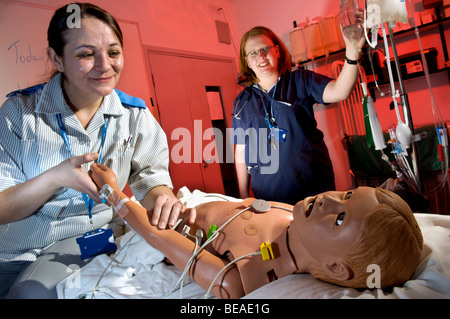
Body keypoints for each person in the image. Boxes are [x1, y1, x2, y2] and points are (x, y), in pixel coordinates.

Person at [0, 3, 194, 299]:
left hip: (104, 243)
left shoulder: (136, 116)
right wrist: (54, 179)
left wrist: (163, 198)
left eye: (114, 52)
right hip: (24, 255)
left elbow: (150, 180)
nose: (105, 66)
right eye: (87, 54)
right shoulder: (18, 114)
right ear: (57, 58)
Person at [89, 163, 423, 299]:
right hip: (182, 201)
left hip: (143, 225)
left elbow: (156, 236)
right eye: (347, 194)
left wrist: (111, 192)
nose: (329, 201)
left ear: (335, 267)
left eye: (340, 218)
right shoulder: (292, 216)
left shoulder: (243, 276)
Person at [232, 24, 366, 204]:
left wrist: (352, 53)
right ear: (247, 61)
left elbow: (340, 91)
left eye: (265, 49)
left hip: (312, 189)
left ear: (277, 51)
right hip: (269, 197)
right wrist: (243, 196)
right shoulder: (242, 102)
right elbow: (241, 150)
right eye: (253, 53)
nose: (261, 56)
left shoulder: (300, 80)